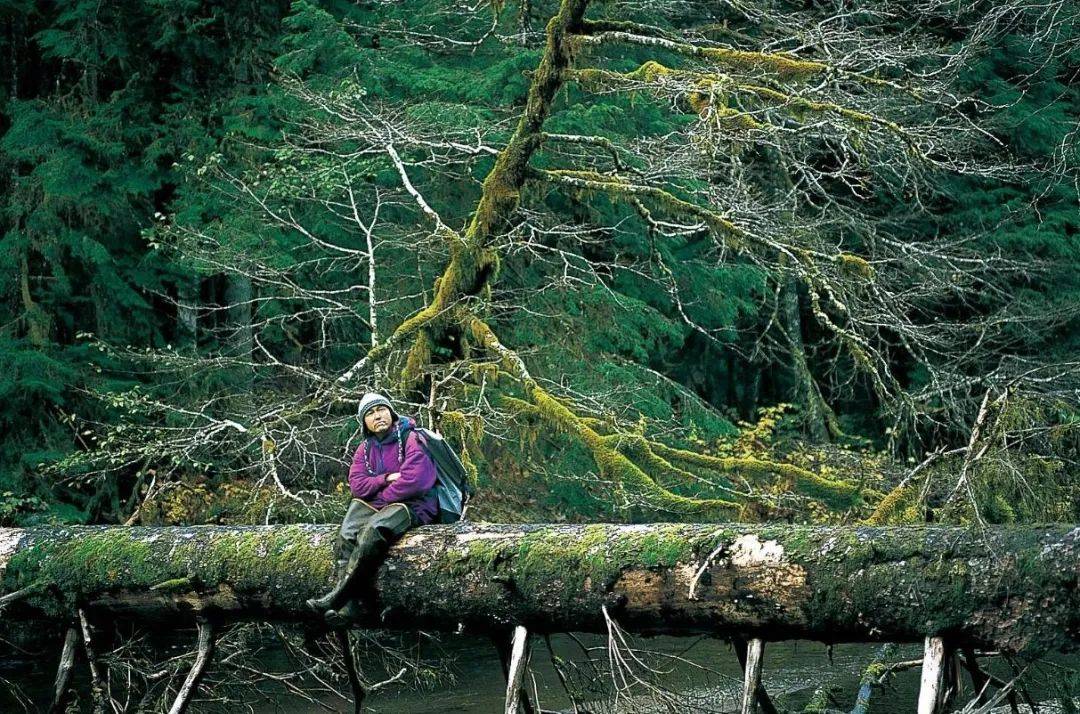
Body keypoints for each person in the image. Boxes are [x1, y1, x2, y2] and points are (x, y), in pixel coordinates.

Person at [306, 393, 439, 625]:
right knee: (347, 535)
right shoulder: (365, 449)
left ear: (391, 412)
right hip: (384, 503)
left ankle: (337, 597)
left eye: (382, 409)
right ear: (364, 422)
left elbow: (415, 481)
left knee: (372, 532)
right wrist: (386, 478)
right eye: (370, 413)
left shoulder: (412, 438)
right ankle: (351, 608)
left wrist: (380, 495)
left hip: (415, 506)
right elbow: (358, 486)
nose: (377, 416)